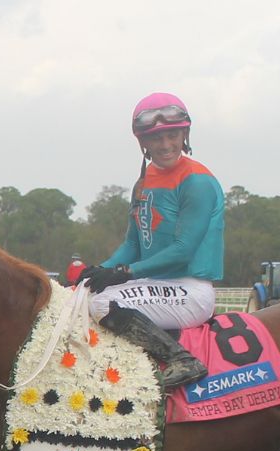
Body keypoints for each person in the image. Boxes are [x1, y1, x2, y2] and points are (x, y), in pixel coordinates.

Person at [74, 92, 224, 388]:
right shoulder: (143, 182)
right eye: (156, 138)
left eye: (172, 135)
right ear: (143, 142)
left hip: (190, 290)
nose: (165, 144)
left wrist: (126, 272)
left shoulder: (197, 182)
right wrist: (99, 271)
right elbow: (133, 245)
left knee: (102, 303)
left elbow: (183, 250)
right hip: (154, 286)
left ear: (184, 135)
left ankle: (182, 359)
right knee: (81, 296)